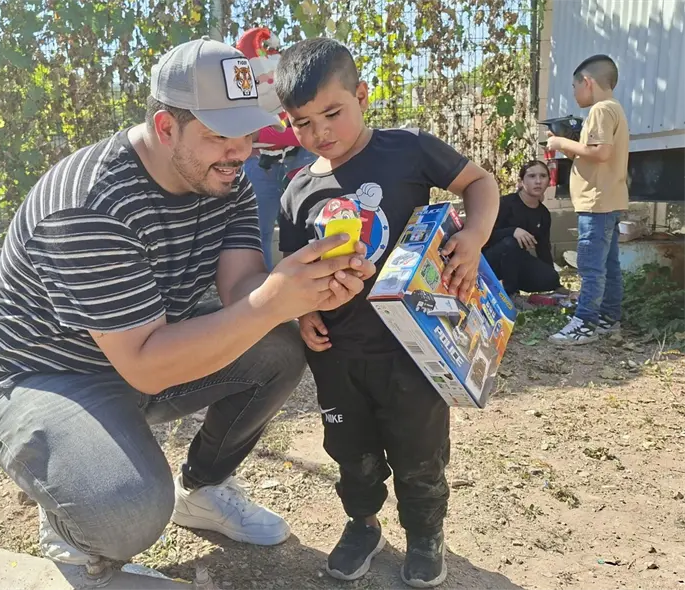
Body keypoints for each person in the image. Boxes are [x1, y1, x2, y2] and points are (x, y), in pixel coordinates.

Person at [0, 36, 377, 583]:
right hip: (44, 374)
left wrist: (307, 288)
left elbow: (242, 290)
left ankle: (204, 489)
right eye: (219, 135)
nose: (240, 152)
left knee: (280, 342)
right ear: (165, 128)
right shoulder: (90, 203)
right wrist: (272, 300)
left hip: (138, 349)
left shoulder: (224, 178)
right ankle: (71, 523)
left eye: (248, 133)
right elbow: (148, 364)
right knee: (127, 511)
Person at [275, 38, 500, 587]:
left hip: (412, 349)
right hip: (335, 353)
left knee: (418, 449)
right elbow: (288, 262)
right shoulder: (298, 189)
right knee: (349, 449)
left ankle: (426, 535)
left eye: (332, 112)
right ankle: (362, 524)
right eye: (303, 123)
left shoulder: (407, 149)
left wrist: (472, 237)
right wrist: (300, 314)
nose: (320, 132)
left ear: (362, 95)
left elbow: (480, 183)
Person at [547, 54, 628, 345]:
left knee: (591, 267)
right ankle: (608, 318)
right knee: (609, 265)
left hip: (596, 203)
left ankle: (584, 324)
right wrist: (569, 147)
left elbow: (601, 152)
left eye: (574, 86)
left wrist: (560, 142)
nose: (573, 92)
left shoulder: (601, 110)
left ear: (588, 82)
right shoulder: (615, 109)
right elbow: (592, 156)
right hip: (609, 199)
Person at [236, 26, 317, 270]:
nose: (268, 82)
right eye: (259, 80)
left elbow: (305, 134)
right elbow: (242, 134)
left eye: (271, 76)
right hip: (260, 164)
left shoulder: (297, 95)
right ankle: (262, 291)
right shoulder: (239, 101)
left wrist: (263, 133)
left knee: (306, 225)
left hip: (297, 161)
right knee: (257, 233)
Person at [483, 160, 561, 295]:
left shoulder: (543, 214)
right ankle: (511, 294)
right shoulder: (505, 203)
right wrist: (512, 231)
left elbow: (543, 247)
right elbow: (484, 235)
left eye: (543, 176)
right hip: (487, 262)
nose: (538, 181)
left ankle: (514, 285)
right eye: (532, 176)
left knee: (550, 278)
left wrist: (555, 284)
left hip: (516, 261)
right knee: (511, 243)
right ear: (521, 181)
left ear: (549, 180)